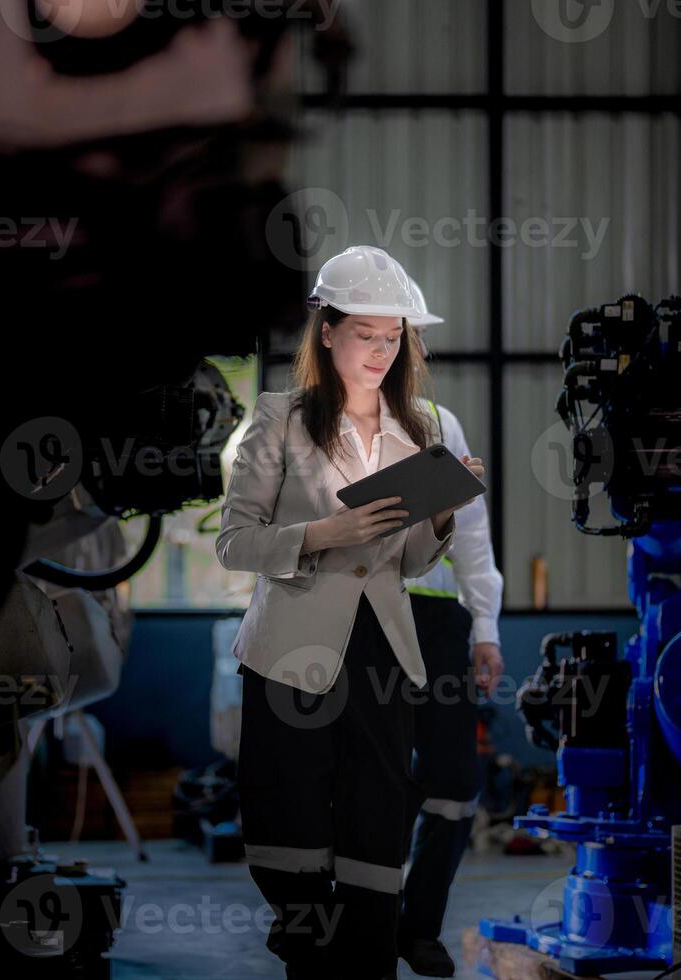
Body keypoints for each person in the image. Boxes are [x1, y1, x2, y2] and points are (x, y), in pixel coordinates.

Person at [216, 245, 486, 980]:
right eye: (365, 332)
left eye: (393, 335)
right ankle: (307, 946)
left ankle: (368, 959)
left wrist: (442, 512)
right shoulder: (278, 418)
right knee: (289, 819)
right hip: (290, 652)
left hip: (383, 653)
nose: (380, 348)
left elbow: (412, 564)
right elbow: (234, 543)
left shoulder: (417, 430)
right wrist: (319, 535)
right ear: (326, 330)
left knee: (376, 821)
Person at [398, 279, 505, 977]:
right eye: (412, 336)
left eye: (412, 337)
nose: (422, 348)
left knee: (456, 786)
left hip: (439, 626)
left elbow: (471, 536)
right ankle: (353, 926)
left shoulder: (439, 423)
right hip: (361, 622)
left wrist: (485, 628)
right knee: (366, 785)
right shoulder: (327, 430)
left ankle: (418, 924)